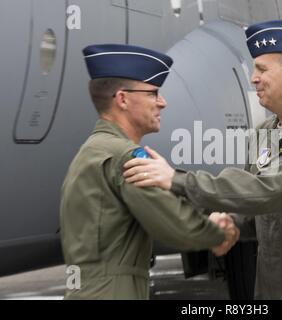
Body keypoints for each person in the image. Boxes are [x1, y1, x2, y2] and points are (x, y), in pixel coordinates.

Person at [123, 20, 282, 299]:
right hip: (274, 284)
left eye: (262, 69)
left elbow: (273, 191)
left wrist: (175, 179)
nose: (253, 78)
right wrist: (231, 221)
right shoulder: (265, 134)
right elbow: (259, 209)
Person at [59, 44, 239, 300]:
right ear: (122, 99)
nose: (162, 103)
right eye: (153, 93)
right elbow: (174, 223)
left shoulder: (91, 151)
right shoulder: (127, 157)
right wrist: (220, 232)